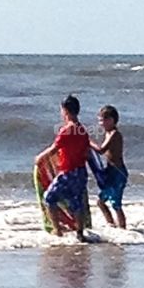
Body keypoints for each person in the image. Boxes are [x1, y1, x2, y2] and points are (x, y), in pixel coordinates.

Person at [35, 95, 90, 241]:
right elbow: (86, 152)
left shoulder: (66, 130)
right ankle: (80, 234)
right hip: (81, 172)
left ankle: (57, 231)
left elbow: (54, 148)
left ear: (65, 110)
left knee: (49, 198)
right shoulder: (82, 130)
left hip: (68, 172)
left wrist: (40, 158)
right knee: (76, 202)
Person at [91, 104, 129, 230]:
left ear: (112, 120)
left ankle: (123, 230)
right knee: (100, 202)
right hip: (111, 172)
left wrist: (88, 142)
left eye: (103, 120)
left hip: (118, 174)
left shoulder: (114, 134)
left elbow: (101, 150)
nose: (101, 123)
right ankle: (111, 225)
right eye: (100, 120)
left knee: (116, 204)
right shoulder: (107, 133)